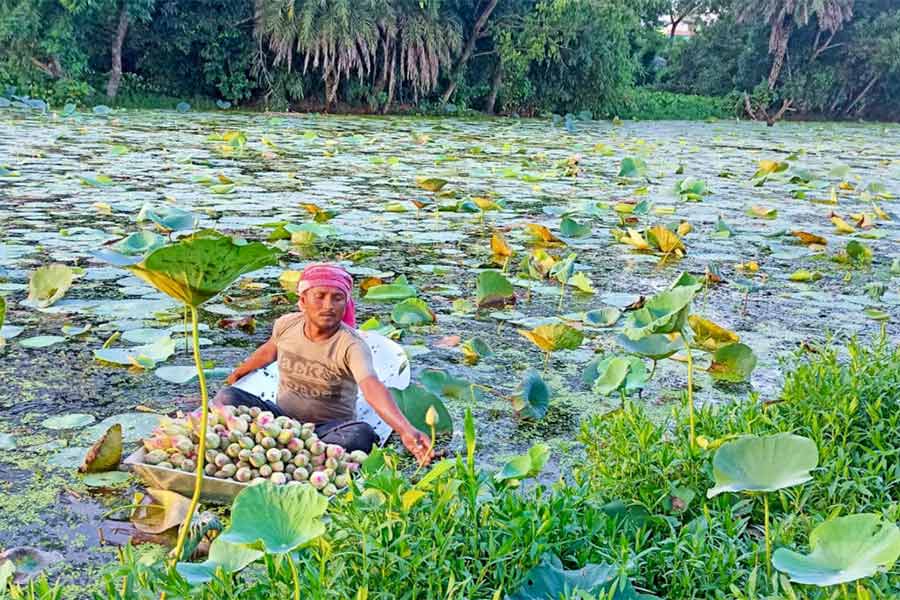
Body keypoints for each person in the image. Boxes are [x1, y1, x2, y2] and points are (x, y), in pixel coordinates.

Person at [214, 263, 433, 465]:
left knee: (360, 435)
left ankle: (288, 454)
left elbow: (371, 386)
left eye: (337, 298)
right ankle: (295, 454)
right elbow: (270, 351)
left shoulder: (352, 345)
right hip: (280, 419)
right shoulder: (286, 325)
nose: (328, 306)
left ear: (345, 303)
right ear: (302, 302)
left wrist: (405, 430)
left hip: (325, 431)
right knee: (227, 397)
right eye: (320, 296)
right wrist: (238, 373)